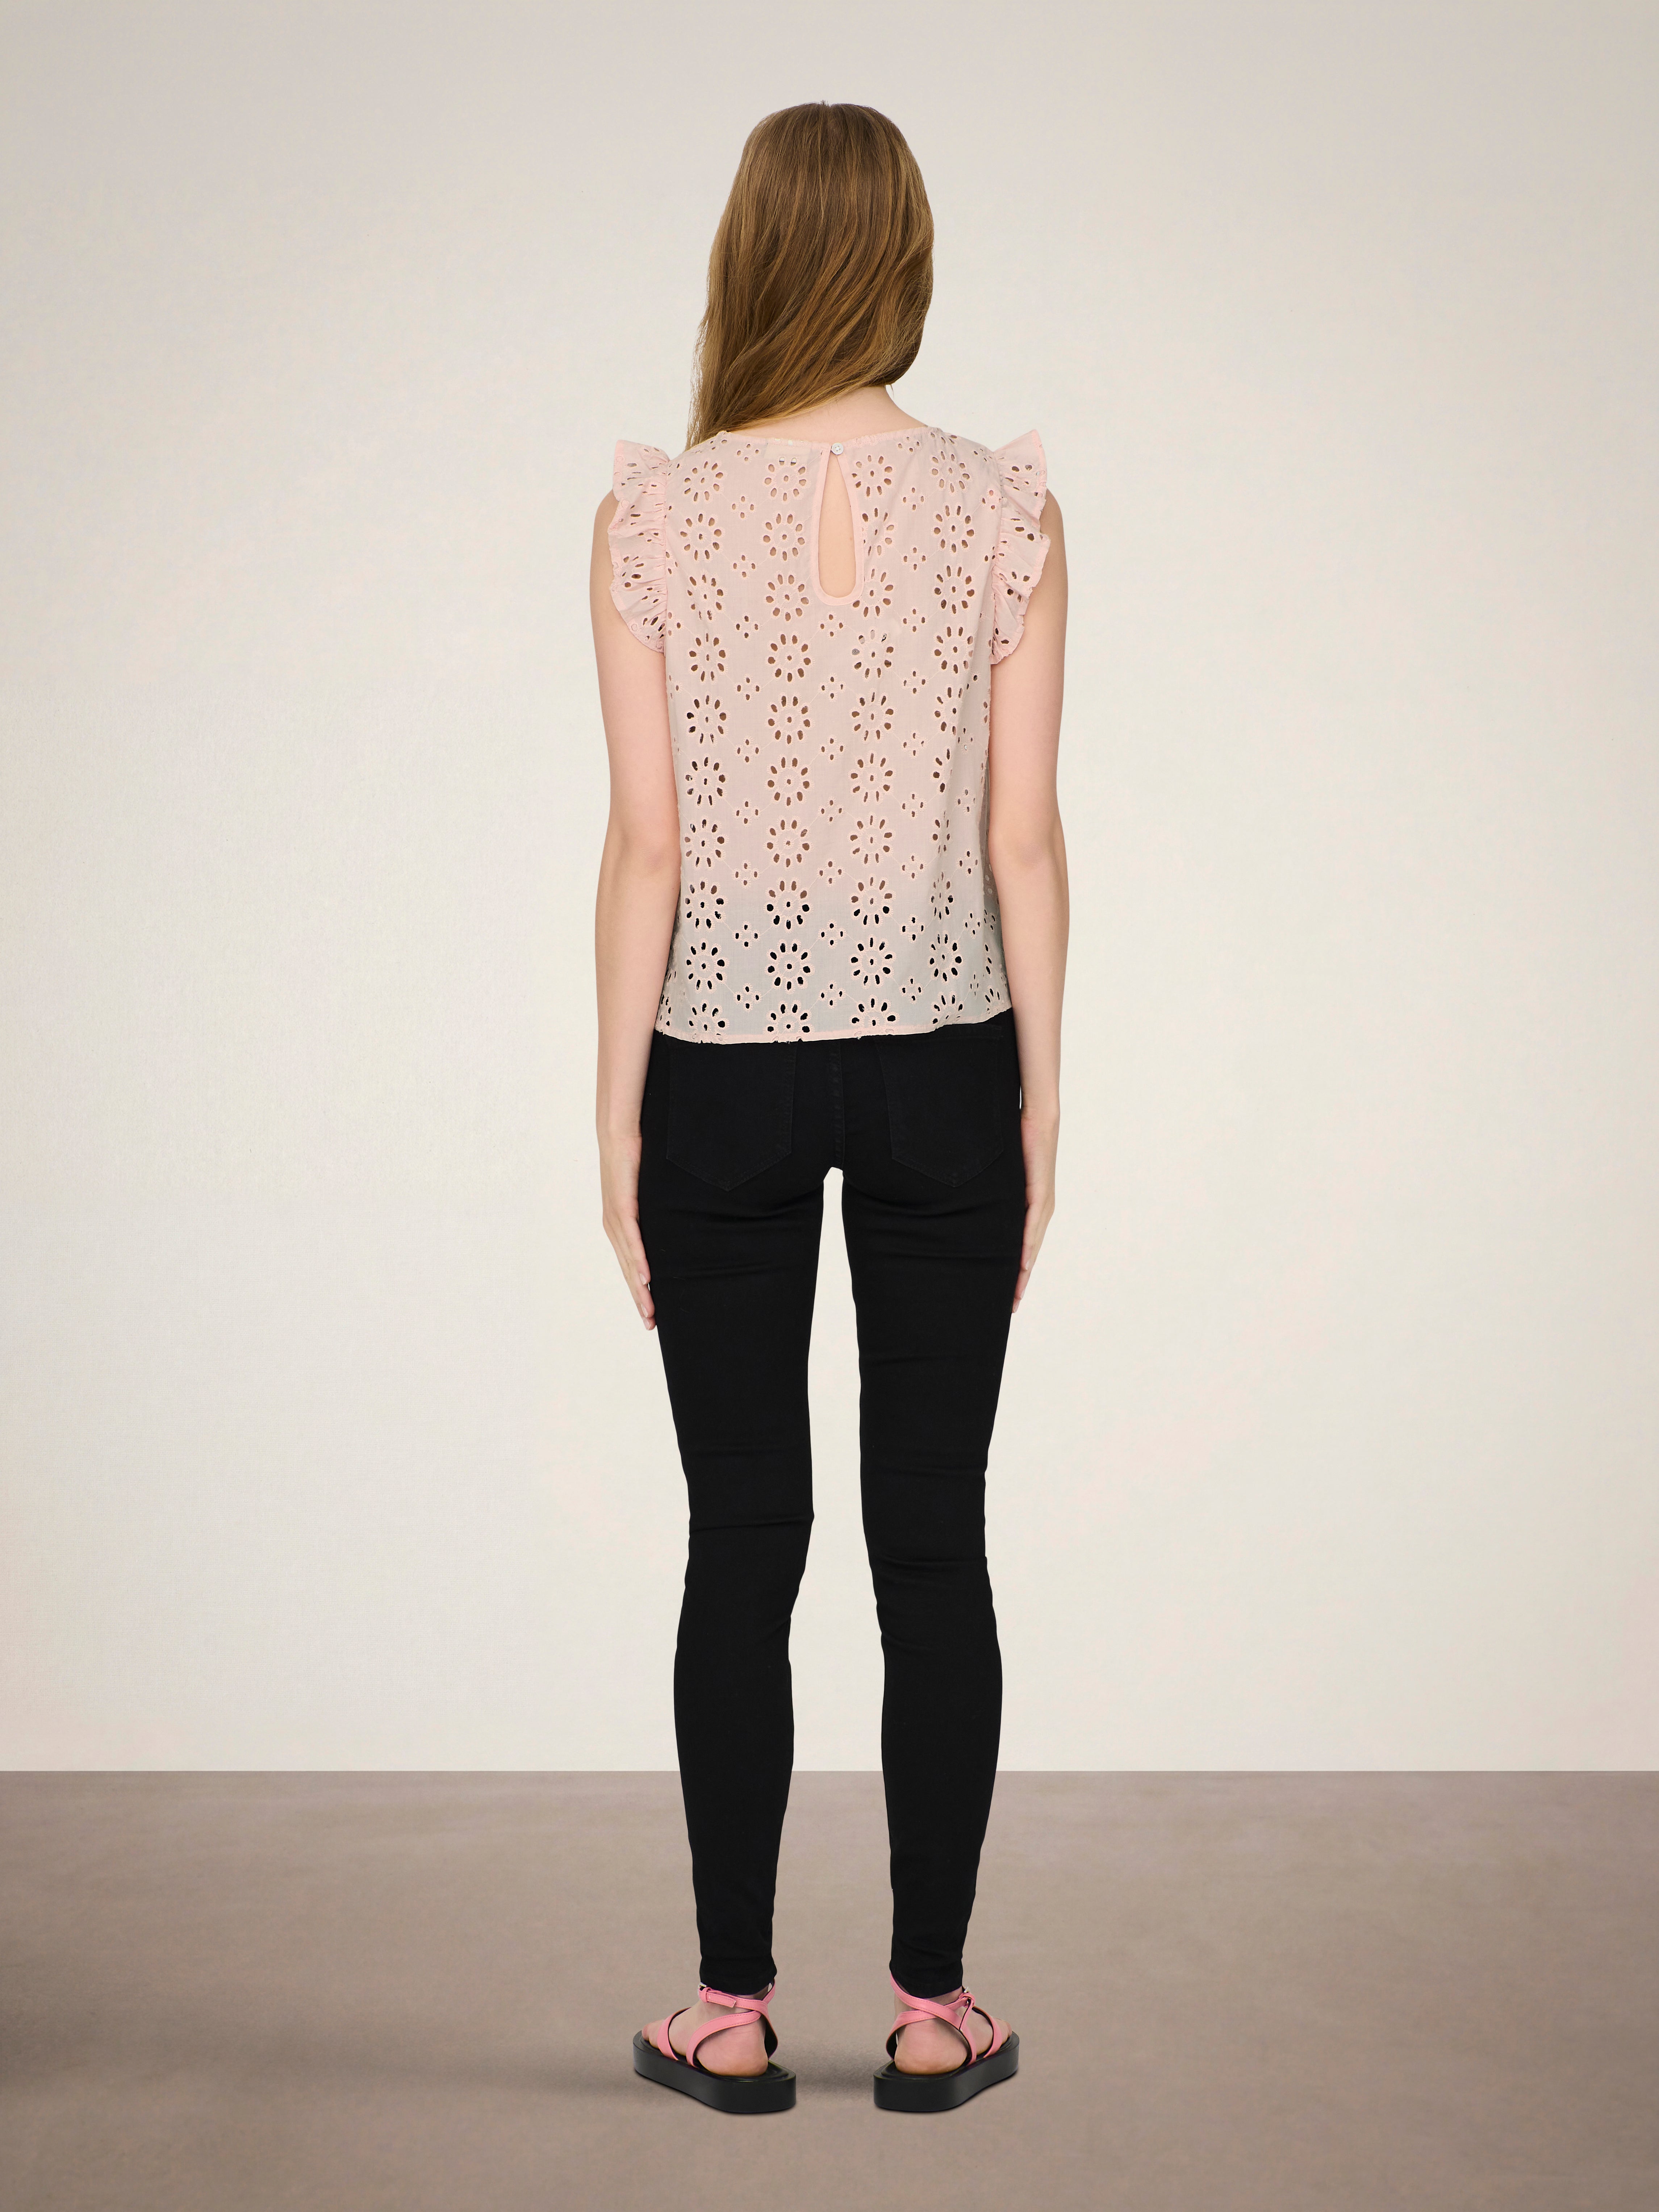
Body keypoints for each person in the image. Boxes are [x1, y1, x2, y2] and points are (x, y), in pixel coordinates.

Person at [589, 101, 1068, 2116]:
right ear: (907, 257)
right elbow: (1022, 837)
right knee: (933, 1540)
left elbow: (645, 844)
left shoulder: (653, 517)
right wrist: (1044, 1105)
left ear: (751, 256)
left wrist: (615, 1122)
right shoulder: (1004, 510)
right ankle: (935, 2012)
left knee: (743, 1541)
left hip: (719, 1057)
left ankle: (727, 2009)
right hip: (948, 1048)